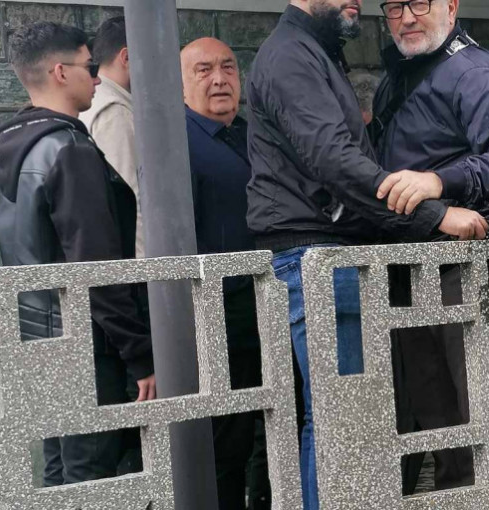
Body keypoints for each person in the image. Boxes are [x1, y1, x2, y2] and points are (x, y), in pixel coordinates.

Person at [246, 1, 487, 508]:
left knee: (339, 417)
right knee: (342, 418)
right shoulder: (291, 54)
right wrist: (435, 215)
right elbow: (334, 160)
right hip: (317, 256)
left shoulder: (312, 49)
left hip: (327, 254)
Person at [370, 0, 489, 494]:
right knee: (440, 422)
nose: (406, 17)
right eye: (394, 6)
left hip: (463, 270)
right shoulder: (398, 77)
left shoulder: (477, 71)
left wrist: (439, 181)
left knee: (485, 414)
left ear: (451, 5)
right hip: (409, 270)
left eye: (419, 3)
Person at [0, 22, 156, 487]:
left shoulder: (19, 148)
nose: (98, 77)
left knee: (62, 471)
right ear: (60, 72)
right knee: (91, 476)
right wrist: (140, 355)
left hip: (37, 339)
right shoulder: (69, 148)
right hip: (85, 343)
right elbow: (95, 267)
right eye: (89, 66)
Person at [181, 37, 270, 510]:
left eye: (228, 67)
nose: (219, 79)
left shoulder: (254, 135)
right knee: (226, 441)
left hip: (268, 306)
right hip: (217, 314)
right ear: (181, 85)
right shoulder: (177, 143)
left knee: (274, 429)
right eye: (204, 70)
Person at [80, 16, 144, 259]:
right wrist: (148, 271)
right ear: (126, 57)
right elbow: (130, 201)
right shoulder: (114, 112)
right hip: (133, 264)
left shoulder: (94, 102)